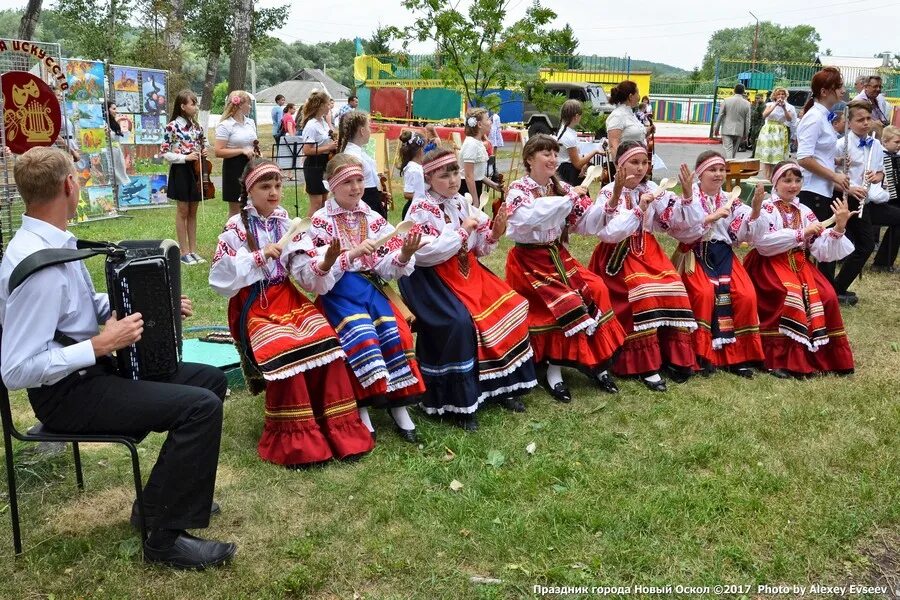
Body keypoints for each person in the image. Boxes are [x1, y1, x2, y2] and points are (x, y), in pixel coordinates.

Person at [0, 147, 236, 569]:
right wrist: (99, 345)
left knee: (209, 382)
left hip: (92, 372)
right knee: (199, 409)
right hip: (68, 396)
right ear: (69, 186)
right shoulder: (36, 266)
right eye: (77, 178)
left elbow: (81, 306)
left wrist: (156, 305)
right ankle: (164, 537)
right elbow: (16, 369)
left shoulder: (53, 242)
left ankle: (156, 503)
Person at [209, 158, 374, 466]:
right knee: (285, 350)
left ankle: (337, 430)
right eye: (265, 186)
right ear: (249, 190)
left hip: (287, 297)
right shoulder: (235, 227)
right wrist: (258, 257)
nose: (273, 192)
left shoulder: (289, 225)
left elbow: (306, 274)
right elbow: (220, 278)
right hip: (254, 302)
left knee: (327, 341)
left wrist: (326, 263)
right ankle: (298, 441)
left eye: (277, 185)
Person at [399, 148, 537, 430]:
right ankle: (458, 402)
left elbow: (477, 246)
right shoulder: (419, 209)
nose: (452, 180)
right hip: (430, 279)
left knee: (510, 306)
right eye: (444, 175)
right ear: (427, 178)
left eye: (455, 173)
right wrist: (462, 230)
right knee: (461, 323)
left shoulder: (460, 202)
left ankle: (501, 386)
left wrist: (494, 232)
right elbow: (428, 255)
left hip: (464, 270)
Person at [307, 154, 426, 442]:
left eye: (359, 180)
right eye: (347, 181)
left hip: (370, 289)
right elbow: (317, 268)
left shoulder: (373, 218)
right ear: (332, 186)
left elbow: (386, 265)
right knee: (360, 335)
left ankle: (398, 406)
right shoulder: (321, 221)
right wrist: (351, 254)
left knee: (396, 332)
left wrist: (405, 254)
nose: (356, 187)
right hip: (337, 292)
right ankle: (361, 407)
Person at [504, 135, 625, 402]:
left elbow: (588, 223)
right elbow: (528, 218)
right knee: (566, 301)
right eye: (545, 153)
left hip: (556, 255)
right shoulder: (518, 189)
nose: (552, 158)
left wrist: (612, 199)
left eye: (554, 153)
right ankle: (554, 371)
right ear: (529, 159)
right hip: (528, 260)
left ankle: (597, 362)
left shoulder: (562, 188)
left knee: (597, 288)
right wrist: (568, 199)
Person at [588, 141, 698, 391]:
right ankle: (645, 364)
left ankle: (674, 356)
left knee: (675, 287)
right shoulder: (609, 192)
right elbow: (609, 233)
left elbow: (679, 221)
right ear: (620, 165)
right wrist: (639, 209)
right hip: (617, 256)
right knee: (643, 293)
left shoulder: (652, 188)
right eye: (634, 162)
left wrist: (688, 194)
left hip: (648, 250)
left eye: (644, 163)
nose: (640, 168)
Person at [743, 161, 856, 377]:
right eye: (787, 180)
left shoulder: (804, 210)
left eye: (797, 180)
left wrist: (839, 227)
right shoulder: (768, 207)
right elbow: (763, 243)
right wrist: (800, 234)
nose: (793, 185)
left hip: (800, 264)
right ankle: (778, 359)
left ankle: (823, 356)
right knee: (790, 295)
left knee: (828, 295)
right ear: (776, 184)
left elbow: (821, 249)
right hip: (770, 265)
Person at [667, 151, 764, 377]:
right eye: (713, 169)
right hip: (695, 251)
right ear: (700, 174)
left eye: (722, 170)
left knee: (745, 294)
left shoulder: (732, 199)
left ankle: (737, 355)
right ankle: (699, 354)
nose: (719, 174)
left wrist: (756, 210)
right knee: (703, 293)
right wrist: (707, 217)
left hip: (723, 253)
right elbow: (680, 229)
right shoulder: (690, 198)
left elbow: (741, 233)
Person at [840, 101, 900, 280]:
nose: (866, 123)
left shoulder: (875, 145)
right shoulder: (841, 144)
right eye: (860, 120)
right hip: (846, 200)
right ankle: (838, 286)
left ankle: (882, 261)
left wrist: (877, 176)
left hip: (868, 201)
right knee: (864, 244)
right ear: (849, 123)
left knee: (866, 244)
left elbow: (881, 172)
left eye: (868, 118)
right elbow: (831, 177)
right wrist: (849, 187)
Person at [161, 90, 206, 266]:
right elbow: (164, 152)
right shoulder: (172, 126)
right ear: (182, 106)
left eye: (195, 103)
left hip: (196, 169)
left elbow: (203, 144)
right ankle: (184, 251)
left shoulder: (197, 126)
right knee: (183, 210)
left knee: (193, 210)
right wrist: (183, 158)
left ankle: (193, 250)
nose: (195, 106)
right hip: (181, 170)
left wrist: (203, 150)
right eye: (192, 103)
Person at [214, 90, 258, 218]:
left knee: (251, 203)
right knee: (236, 207)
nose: (250, 107)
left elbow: (253, 143)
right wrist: (241, 150)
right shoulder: (226, 125)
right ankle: (233, 234)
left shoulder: (250, 122)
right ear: (240, 105)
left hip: (250, 164)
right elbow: (218, 151)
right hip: (234, 166)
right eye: (248, 104)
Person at [337, 110, 388, 217]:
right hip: (365, 200)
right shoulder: (353, 156)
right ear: (362, 131)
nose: (370, 131)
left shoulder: (358, 151)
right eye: (369, 127)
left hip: (371, 198)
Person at [301, 90, 338, 217]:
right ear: (321, 105)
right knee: (316, 203)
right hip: (313, 165)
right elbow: (307, 150)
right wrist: (328, 146)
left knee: (324, 202)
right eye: (328, 104)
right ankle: (305, 231)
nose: (329, 106)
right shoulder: (311, 125)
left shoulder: (323, 122)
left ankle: (320, 228)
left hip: (324, 163)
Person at [459, 108, 504, 202]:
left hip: (474, 187)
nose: (490, 122)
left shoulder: (478, 142)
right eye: (487, 119)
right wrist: (475, 201)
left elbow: (477, 174)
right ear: (479, 124)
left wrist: (493, 185)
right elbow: (469, 176)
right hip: (467, 191)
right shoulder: (471, 144)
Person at [872, 126, 900, 271]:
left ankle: (884, 260)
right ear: (884, 142)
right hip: (877, 200)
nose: (899, 145)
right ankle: (882, 262)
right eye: (896, 142)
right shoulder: (879, 156)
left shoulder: (896, 156)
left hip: (889, 200)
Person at [556, 99, 601, 186]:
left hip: (569, 171)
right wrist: (595, 151)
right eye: (580, 115)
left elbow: (577, 159)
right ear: (576, 116)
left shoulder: (567, 131)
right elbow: (577, 164)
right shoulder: (568, 136)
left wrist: (584, 165)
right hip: (568, 175)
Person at [755, 88, 797, 179]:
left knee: (777, 157)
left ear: (786, 96)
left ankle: (775, 177)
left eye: (783, 94)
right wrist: (775, 105)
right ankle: (767, 177)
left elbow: (789, 119)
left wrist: (784, 108)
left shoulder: (789, 107)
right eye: (778, 94)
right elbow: (764, 115)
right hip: (768, 131)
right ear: (774, 96)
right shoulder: (769, 104)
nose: (781, 96)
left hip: (780, 131)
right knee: (767, 156)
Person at [606, 80, 653, 161]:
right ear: (631, 96)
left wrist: (648, 130)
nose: (639, 97)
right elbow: (613, 145)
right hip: (624, 167)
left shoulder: (630, 113)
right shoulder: (618, 115)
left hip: (635, 164)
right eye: (637, 93)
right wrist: (619, 168)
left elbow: (632, 134)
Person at [714, 84, 751, 159]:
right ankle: (731, 167)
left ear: (734, 90)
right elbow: (747, 120)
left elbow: (720, 115)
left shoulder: (726, 100)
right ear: (743, 91)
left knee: (728, 150)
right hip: (739, 131)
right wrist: (746, 134)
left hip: (727, 129)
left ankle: (728, 167)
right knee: (733, 152)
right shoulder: (747, 103)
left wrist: (716, 129)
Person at [398, 130, 426, 219]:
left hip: (420, 208)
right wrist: (426, 197)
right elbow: (407, 194)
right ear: (420, 149)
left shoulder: (417, 166)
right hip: (413, 211)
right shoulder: (413, 169)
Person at [105, 101, 131, 187]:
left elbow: (117, 138)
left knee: (118, 176)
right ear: (107, 109)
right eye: (113, 109)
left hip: (116, 151)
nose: (115, 111)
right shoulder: (103, 123)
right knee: (111, 173)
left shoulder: (113, 123)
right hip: (108, 152)